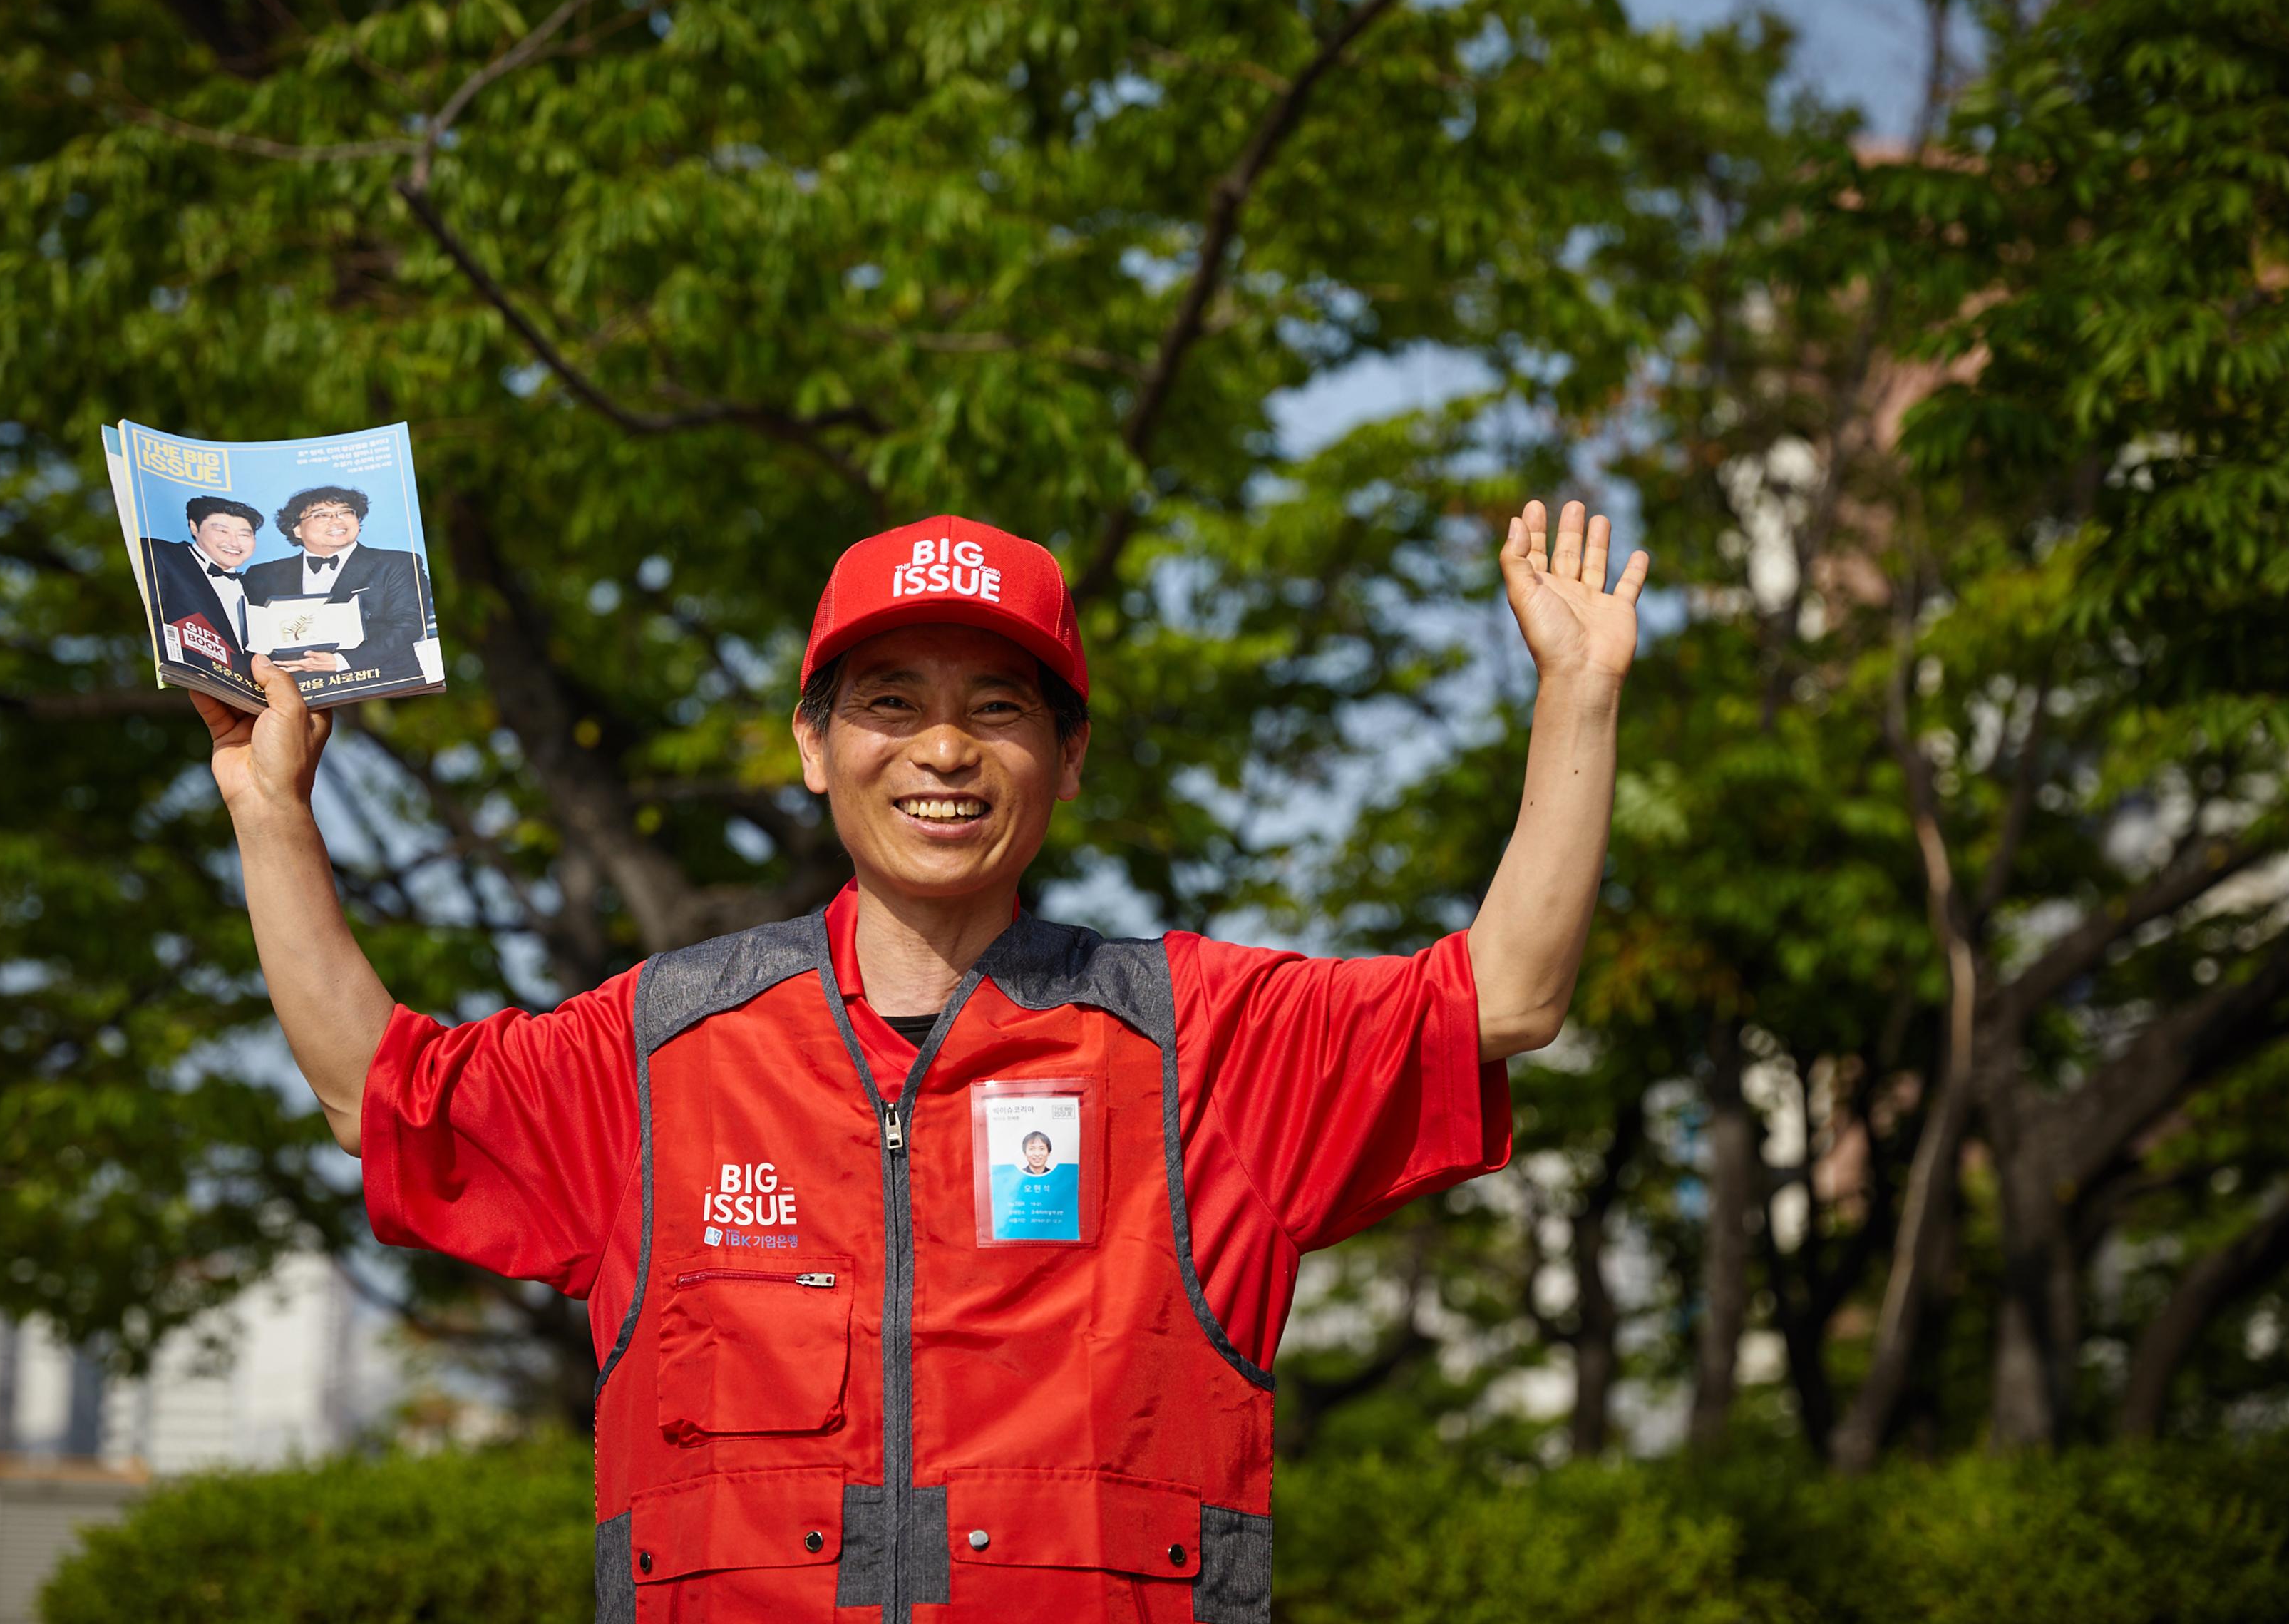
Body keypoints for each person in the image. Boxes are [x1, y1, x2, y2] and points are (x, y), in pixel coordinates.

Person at [190, 504, 1646, 1623]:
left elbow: (1504, 999)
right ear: (814, 747)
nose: (943, 746)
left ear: (1068, 759)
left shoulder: (1201, 1038)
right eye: (891, 701)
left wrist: (1577, 691)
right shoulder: (660, 1046)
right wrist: (271, 815)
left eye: (998, 706)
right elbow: (379, 1090)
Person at [237, 485, 434, 687]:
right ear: (296, 529)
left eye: (346, 512)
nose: (336, 520)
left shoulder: (397, 563)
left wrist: (341, 662)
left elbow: (410, 623)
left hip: (381, 684)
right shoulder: (262, 575)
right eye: (321, 515)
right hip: (294, 689)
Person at [139, 495, 259, 678]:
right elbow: (151, 615)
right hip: (186, 681)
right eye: (222, 531)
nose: (234, 543)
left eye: (244, 534)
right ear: (195, 527)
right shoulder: (160, 553)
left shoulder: (256, 583)